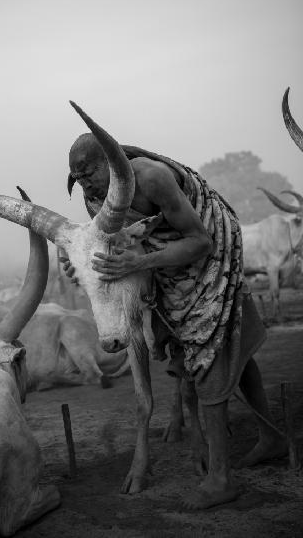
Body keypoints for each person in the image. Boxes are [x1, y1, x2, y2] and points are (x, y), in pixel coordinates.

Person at [64, 132, 287, 509]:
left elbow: (200, 241)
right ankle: (272, 438)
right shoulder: (95, 199)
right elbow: (121, 244)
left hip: (210, 246)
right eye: (78, 178)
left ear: (111, 163)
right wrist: (87, 266)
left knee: (208, 348)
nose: (84, 184)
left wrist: (140, 261)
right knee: (233, 346)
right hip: (161, 262)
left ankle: (220, 479)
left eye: (89, 173)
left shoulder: (151, 178)